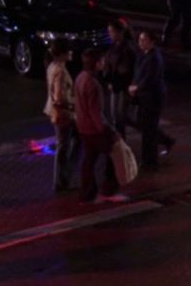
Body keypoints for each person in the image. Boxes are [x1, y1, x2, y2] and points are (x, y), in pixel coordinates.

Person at [74, 49, 127, 204]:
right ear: (96, 64)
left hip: (84, 127)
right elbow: (96, 112)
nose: (104, 64)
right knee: (113, 154)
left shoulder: (80, 78)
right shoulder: (93, 84)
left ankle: (88, 192)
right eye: (102, 61)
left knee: (89, 159)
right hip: (95, 129)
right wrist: (108, 131)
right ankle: (107, 188)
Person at [129, 30, 175, 170]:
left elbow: (150, 78)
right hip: (144, 96)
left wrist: (136, 88)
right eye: (140, 39)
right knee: (145, 125)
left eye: (144, 40)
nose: (141, 42)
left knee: (149, 128)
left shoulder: (154, 58)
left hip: (152, 97)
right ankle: (164, 143)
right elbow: (138, 73)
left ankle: (150, 161)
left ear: (152, 41)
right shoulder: (143, 55)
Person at [44, 42, 78, 192]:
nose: (71, 52)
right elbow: (60, 97)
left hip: (55, 111)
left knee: (65, 144)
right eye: (68, 50)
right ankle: (62, 181)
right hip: (64, 114)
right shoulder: (61, 72)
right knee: (64, 146)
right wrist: (74, 104)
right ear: (62, 54)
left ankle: (64, 178)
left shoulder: (52, 67)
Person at [101, 19, 137, 137]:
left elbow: (125, 70)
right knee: (117, 117)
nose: (110, 34)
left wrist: (112, 79)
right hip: (115, 86)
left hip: (122, 87)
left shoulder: (127, 48)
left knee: (120, 118)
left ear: (119, 32)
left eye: (112, 31)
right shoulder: (114, 46)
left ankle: (121, 147)